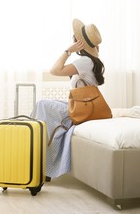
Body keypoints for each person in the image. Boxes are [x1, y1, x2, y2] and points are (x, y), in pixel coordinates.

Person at [32, 18, 106, 181]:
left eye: (75, 37)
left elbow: (55, 70)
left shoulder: (85, 61)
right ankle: (43, 157)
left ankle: (41, 159)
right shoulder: (90, 61)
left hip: (83, 109)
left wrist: (68, 51)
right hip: (82, 106)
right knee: (46, 105)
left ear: (79, 42)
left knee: (43, 105)